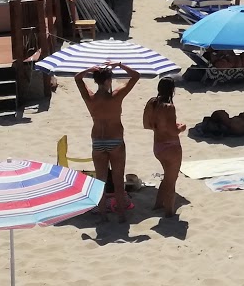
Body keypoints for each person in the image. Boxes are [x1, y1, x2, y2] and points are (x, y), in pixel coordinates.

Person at [75, 63, 141, 217]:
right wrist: (120, 65)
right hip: (115, 140)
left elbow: (77, 78)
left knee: (101, 181)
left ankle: (103, 215)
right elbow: (135, 76)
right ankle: (121, 216)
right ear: (108, 81)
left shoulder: (90, 98)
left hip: (98, 140)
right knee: (118, 181)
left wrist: (88, 69)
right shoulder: (116, 96)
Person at [142, 77, 186, 216]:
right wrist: (181, 128)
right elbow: (173, 131)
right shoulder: (169, 107)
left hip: (158, 146)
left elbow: (146, 125)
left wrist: (162, 127)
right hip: (171, 146)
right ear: (172, 90)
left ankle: (158, 204)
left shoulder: (151, 103)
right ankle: (169, 212)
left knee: (167, 176)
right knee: (171, 180)